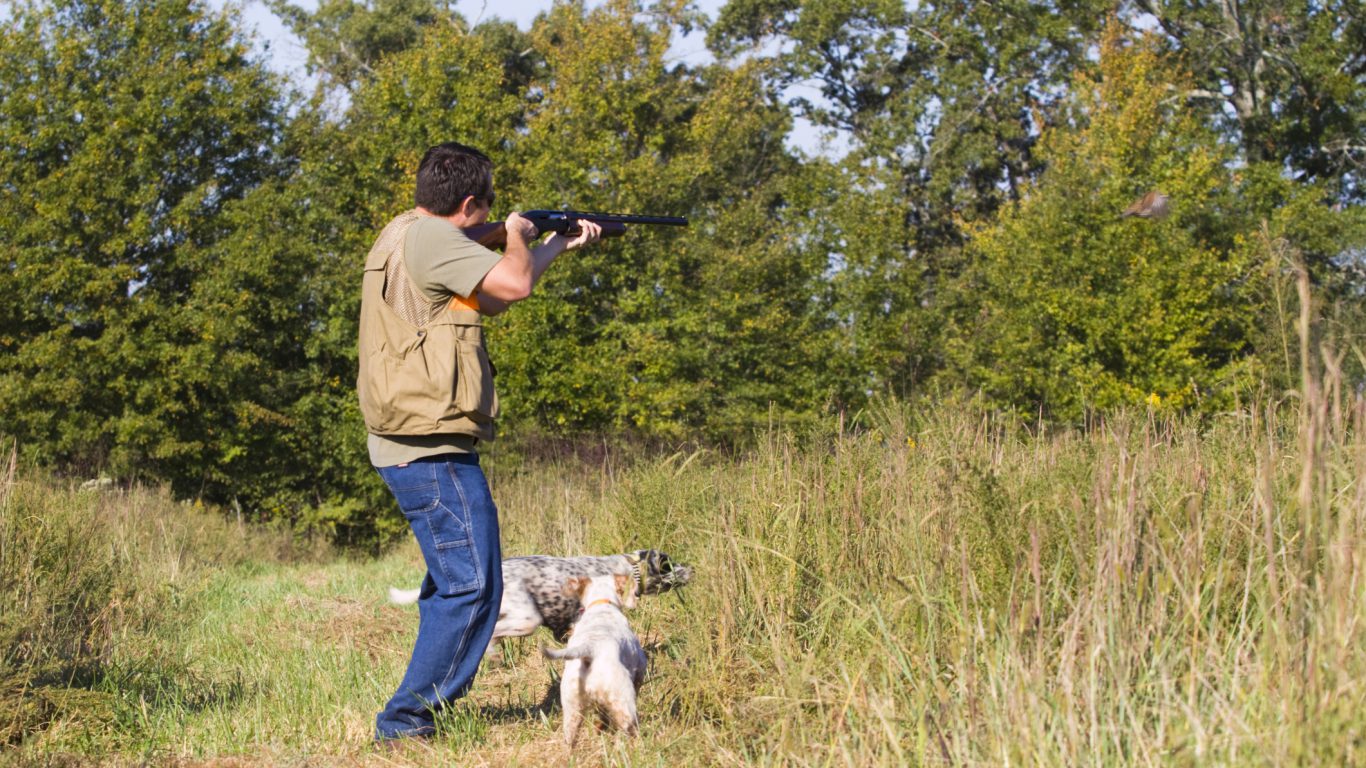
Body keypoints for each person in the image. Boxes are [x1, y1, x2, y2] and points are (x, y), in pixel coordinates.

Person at [356, 142, 602, 743]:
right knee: (474, 587)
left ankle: (410, 715)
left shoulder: (408, 232)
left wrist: (550, 245)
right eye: (488, 209)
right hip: (427, 446)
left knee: (458, 582)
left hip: (414, 439)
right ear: (470, 203)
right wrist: (517, 231)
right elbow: (514, 286)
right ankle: (406, 722)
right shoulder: (438, 240)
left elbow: (495, 294)